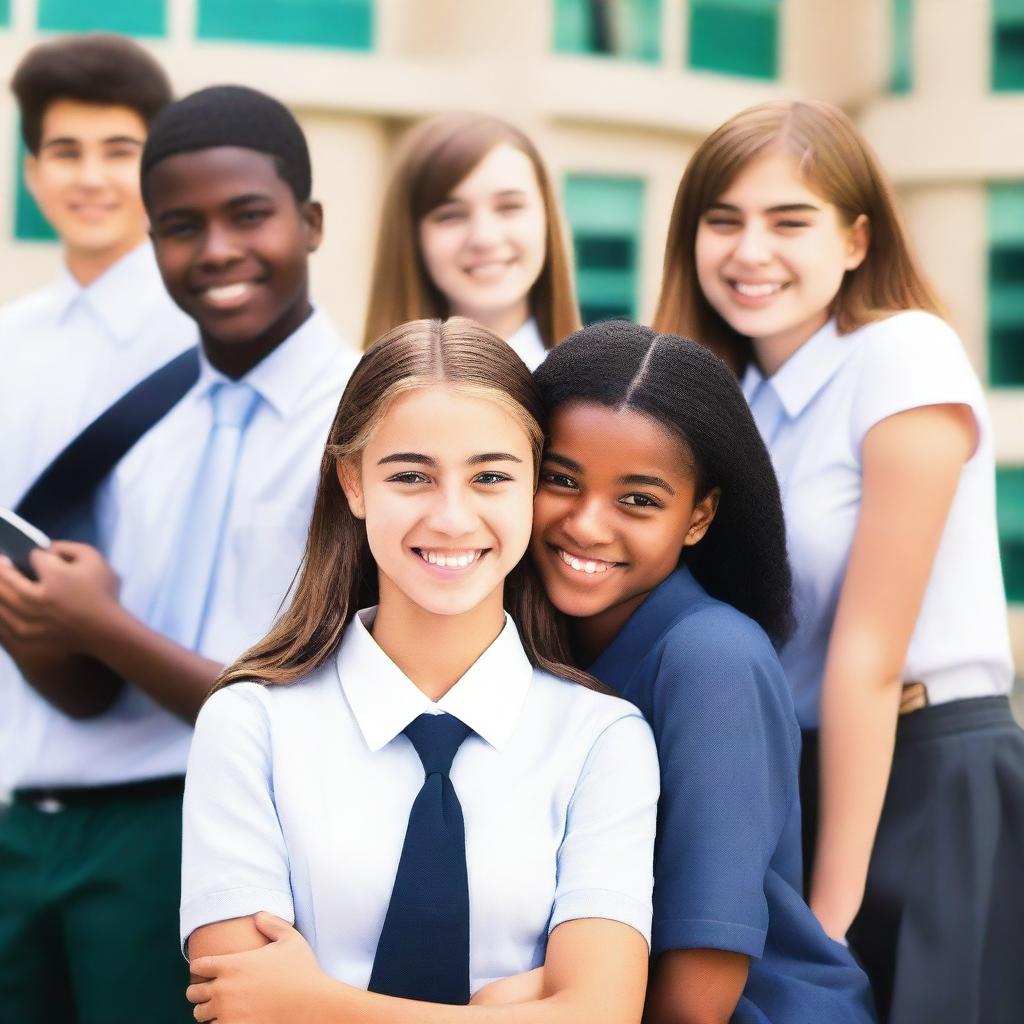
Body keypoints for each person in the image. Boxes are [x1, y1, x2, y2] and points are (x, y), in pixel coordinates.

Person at [653, 99, 1024, 1024]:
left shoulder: (904, 356)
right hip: (786, 781)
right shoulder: (723, 394)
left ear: (857, 241)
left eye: (790, 221)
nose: (750, 252)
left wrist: (826, 916)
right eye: (723, 220)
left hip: (927, 782)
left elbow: (869, 660)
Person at [179, 317, 659, 1024]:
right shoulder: (250, 725)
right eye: (411, 475)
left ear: (534, 488)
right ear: (353, 482)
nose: (452, 517)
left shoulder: (602, 740)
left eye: (491, 476)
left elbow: (602, 1014)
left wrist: (316, 1002)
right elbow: (244, 1010)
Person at [0, 85, 355, 1021]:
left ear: (311, 223)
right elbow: (88, 689)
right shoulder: (138, 426)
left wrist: (102, 626)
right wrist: (39, 619)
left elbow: (309, 720)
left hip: (259, 847)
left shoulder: (367, 425)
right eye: (178, 228)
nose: (218, 252)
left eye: (249, 217)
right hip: (72, 822)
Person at [522, 321, 875, 1024]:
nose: (588, 525)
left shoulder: (712, 658)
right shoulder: (522, 638)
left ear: (698, 516)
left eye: (639, 499)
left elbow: (696, 1002)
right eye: (561, 480)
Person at [0, 33, 194, 781]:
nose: (90, 177)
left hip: (150, 789)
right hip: (17, 795)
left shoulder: (215, 346)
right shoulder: (10, 340)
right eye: (65, 151)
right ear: (31, 171)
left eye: (119, 150)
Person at [361, 112, 579, 367]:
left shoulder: (598, 398)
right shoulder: (352, 397)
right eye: (450, 215)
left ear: (547, 217)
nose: (484, 238)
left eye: (509, 207)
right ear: (411, 237)